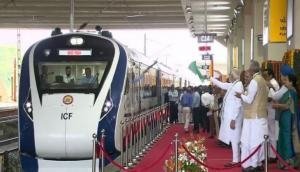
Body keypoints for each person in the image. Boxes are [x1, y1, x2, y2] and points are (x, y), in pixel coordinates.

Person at [235, 60, 269, 171]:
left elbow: (249, 99)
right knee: (259, 140)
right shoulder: (263, 80)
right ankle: (257, 162)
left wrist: (241, 95)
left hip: (253, 117)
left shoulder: (255, 81)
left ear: (253, 68)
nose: (248, 69)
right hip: (261, 116)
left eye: (249, 67)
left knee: (250, 141)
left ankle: (251, 164)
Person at [211, 68, 243, 167]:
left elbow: (238, 104)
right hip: (231, 117)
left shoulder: (238, 85)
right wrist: (211, 78)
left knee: (235, 139)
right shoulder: (234, 84)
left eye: (230, 75)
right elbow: (222, 85)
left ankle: (236, 160)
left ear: (234, 76)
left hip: (234, 117)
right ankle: (236, 159)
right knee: (234, 138)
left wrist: (233, 119)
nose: (229, 77)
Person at [272, 65, 297, 169]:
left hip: (288, 119)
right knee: (282, 139)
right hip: (283, 119)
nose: (283, 81)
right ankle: (282, 161)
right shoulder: (287, 89)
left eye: (286, 79)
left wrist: (276, 105)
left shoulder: (292, 91)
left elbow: (288, 105)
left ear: (291, 81)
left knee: (287, 140)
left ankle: (288, 162)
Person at [262, 68, 280, 162]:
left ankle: (273, 155)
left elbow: (270, 97)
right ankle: (270, 154)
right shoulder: (269, 82)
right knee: (268, 133)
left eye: (266, 75)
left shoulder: (273, 82)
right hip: (268, 110)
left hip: (272, 111)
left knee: (272, 134)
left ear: (271, 75)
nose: (264, 77)